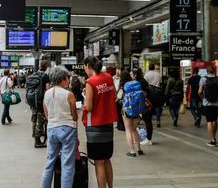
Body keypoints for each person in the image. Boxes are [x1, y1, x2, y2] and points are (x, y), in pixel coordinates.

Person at [83, 56, 118, 188]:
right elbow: (114, 96)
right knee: (107, 160)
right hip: (108, 125)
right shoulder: (109, 77)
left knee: (99, 163)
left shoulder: (90, 82)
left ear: (88, 66)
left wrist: (85, 99)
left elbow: (89, 107)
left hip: (95, 127)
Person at [41, 66, 78, 188]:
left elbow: (46, 113)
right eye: (67, 78)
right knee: (67, 165)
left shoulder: (46, 94)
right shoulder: (69, 95)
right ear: (62, 79)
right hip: (67, 129)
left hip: (51, 129)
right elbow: (74, 116)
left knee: (49, 162)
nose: (69, 80)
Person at [198, 66, 218, 147]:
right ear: (214, 71)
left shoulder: (203, 79)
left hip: (207, 103)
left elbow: (200, 92)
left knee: (209, 121)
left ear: (207, 71)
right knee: (215, 120)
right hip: (217, 103)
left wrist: (203, 99)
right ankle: (214, 137)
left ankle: (212, 140)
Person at [123, 69, 145, 157]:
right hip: (138, 110)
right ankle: (139, 149)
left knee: (128, 130)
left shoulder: (125, 87)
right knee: (134, 129)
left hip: (127, 110)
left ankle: (132, 151)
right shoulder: (137, 85)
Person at [31, 60, 51, 148]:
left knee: (34, 118)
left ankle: (34, 134)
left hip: (33, 100)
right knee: (40, 120)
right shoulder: (45, 76)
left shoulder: (34, 74)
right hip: (41, 101)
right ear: (46, 67)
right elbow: (47, 89)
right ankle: (37, 141)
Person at [131, 69, 152, 146]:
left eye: (131, 74)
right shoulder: (142, 81)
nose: (131, 76)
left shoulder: (140, 82)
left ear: (135, 75)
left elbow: (140, 94)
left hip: (144, 104)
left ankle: (148, 139)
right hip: (145, 104)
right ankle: (144, 138)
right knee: (146, 121)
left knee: (147, 121)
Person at [144, 63, 163, 128]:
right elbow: (160, 84)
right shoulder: (158, 74)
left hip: (150, 91)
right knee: (157, 106)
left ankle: (150, 120)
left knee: (150, 105)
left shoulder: (146, 75)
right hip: (158, 91)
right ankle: (158, 121)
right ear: (154, 67)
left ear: (149, 68)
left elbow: (145, 84)